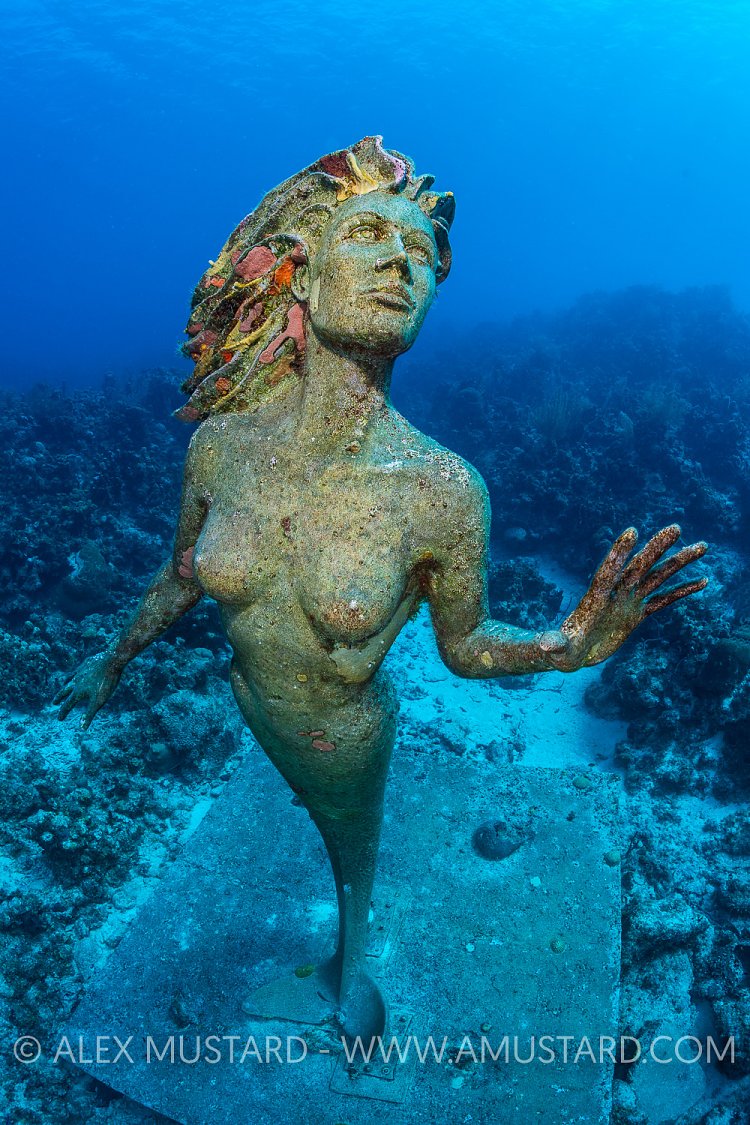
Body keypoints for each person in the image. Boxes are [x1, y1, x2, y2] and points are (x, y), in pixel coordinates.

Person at [54, 136, 707, 1041]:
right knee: (325, 841)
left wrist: (566, 650)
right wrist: (110, 658)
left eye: (424, 257)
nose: (402, 265)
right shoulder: (221, 448)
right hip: (253, 704)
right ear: (302, 270)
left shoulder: (440, 490)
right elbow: (180, 577)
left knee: (348, 860)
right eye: (369, 234)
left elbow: (463, 646)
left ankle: (349, 970)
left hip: (346, 741)